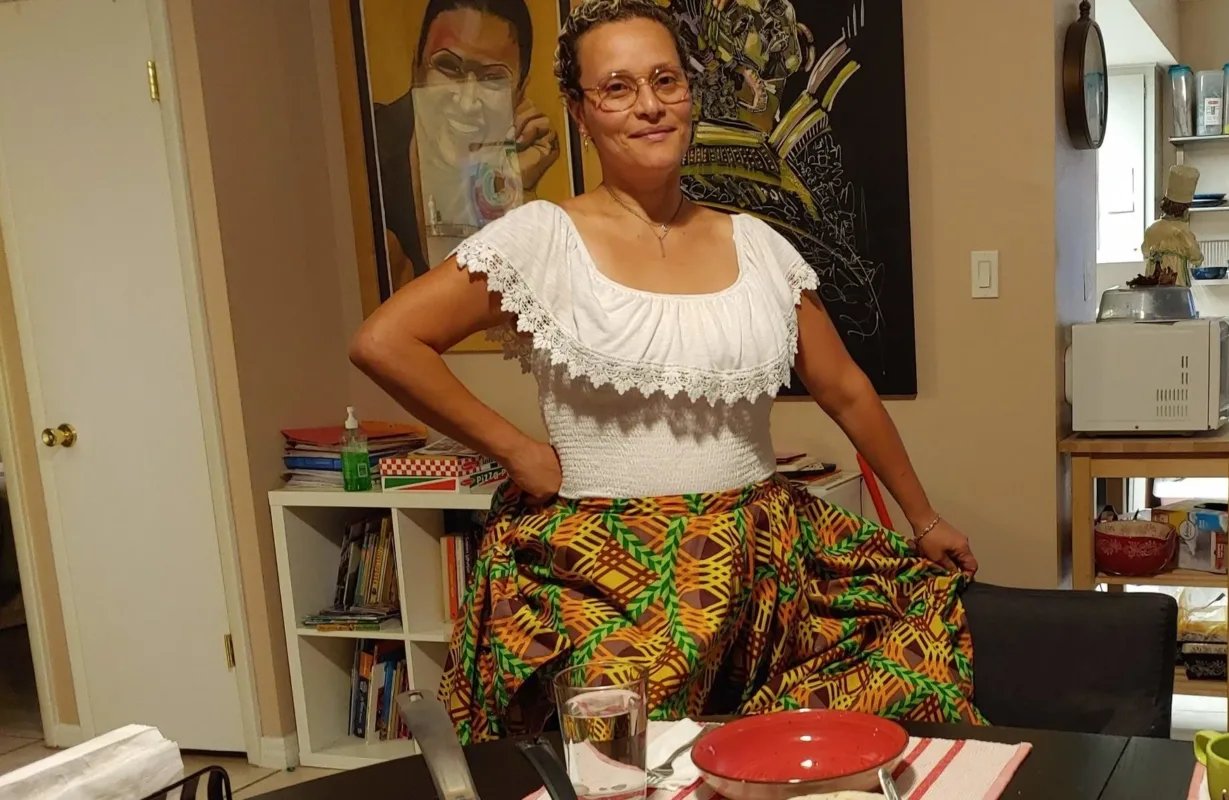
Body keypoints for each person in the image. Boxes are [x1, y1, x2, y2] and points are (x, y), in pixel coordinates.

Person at [350, 0, 983, 743]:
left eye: (665, 81)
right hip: (601, 567)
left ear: (691, 95)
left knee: (857, 699)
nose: (648, 104)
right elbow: (385, 341)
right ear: (582, 114)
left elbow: (845, 387)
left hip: (765, 557)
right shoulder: (539, 239)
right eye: (617, 87)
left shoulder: (759, 245)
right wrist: (518, 451)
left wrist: (925, 518)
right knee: (626, 760)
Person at [371, 0, 560, 294]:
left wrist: (514, 185)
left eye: (493, 79)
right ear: (416, 70)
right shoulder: (363, 151)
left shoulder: (506, 171)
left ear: (520, 93)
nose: (466, 101)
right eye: (448, 67)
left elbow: (493, 314)